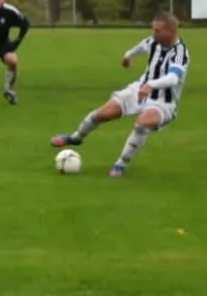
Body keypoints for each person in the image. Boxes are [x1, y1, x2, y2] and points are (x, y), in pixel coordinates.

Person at [50, 12, 188, 178]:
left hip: (163, 102)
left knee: (142, 124)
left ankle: (120, 164)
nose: (154, 33)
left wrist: (151, 85)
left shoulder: (180, 53)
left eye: (158, 31)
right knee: (102, 114)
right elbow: (141, 46)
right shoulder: (154, 41)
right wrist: (127, 56)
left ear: (171, 32)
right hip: (138, 89)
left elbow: (173, 78)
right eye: (153, 29)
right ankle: (76, 138)